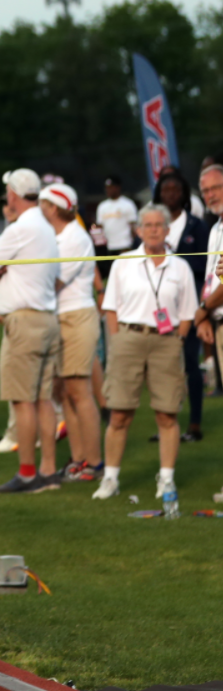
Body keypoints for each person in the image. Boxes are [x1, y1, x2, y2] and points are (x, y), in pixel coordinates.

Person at [92, 204, 197, 500]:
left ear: (167, 230)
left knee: (167, 414)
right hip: (129, 338)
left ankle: (166, 479)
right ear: (138, 230)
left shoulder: (180, 266)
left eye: (158, 225)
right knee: (119, 414)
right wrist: (117, 339)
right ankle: (110, 479)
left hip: (166, 342)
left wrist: (178, 340)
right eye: (147, 225)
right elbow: (110, 307)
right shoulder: (124, 262)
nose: (153, 229)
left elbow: (188, 311)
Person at [0, 169, 62, 493]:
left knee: (22, 401)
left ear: (13, 194)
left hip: (25, 323)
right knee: (43, 400)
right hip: (46, 319)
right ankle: (48, 471)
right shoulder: (45, 227)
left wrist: (2, 267)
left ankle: (29, 475)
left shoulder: (20, 228)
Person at [39, 185, 103, 482]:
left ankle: (94, 463)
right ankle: (79, 459)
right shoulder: (59, 237)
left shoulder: (74, 238)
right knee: (67, 392)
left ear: (53, 208)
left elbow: (53, 283)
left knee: (79, 390)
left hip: (76, 317)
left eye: (42, 204)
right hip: (63, 317)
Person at [153, 170, 210, 442]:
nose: (170, 194)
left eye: (176, 190)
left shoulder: (197, 227)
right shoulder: (151, 226)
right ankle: (166, 424)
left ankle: (195, 423)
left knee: (190, 363)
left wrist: (176, 259)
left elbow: (206, 265)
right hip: (158, 308)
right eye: (165, 190)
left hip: (188, 306)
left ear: (184, 195)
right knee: (162, 368)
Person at [197, 165, 223, 503]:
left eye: (216, 187)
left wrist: (202, 311)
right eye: (205, 191)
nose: (210, 195)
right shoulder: (216, 227)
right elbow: (213, 279)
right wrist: (208, 313)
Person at [95, 175, 137, 280]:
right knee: (114, 276)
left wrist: (134, 244)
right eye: (107, 187)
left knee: (127, 274)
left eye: (111, 187)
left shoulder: (127, 204)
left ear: (118, 187)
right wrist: (100, 247)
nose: (108, 190)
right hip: (109, 247)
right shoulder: (102, 206)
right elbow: (99, 228)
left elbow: (133, 226)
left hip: (125, 246)